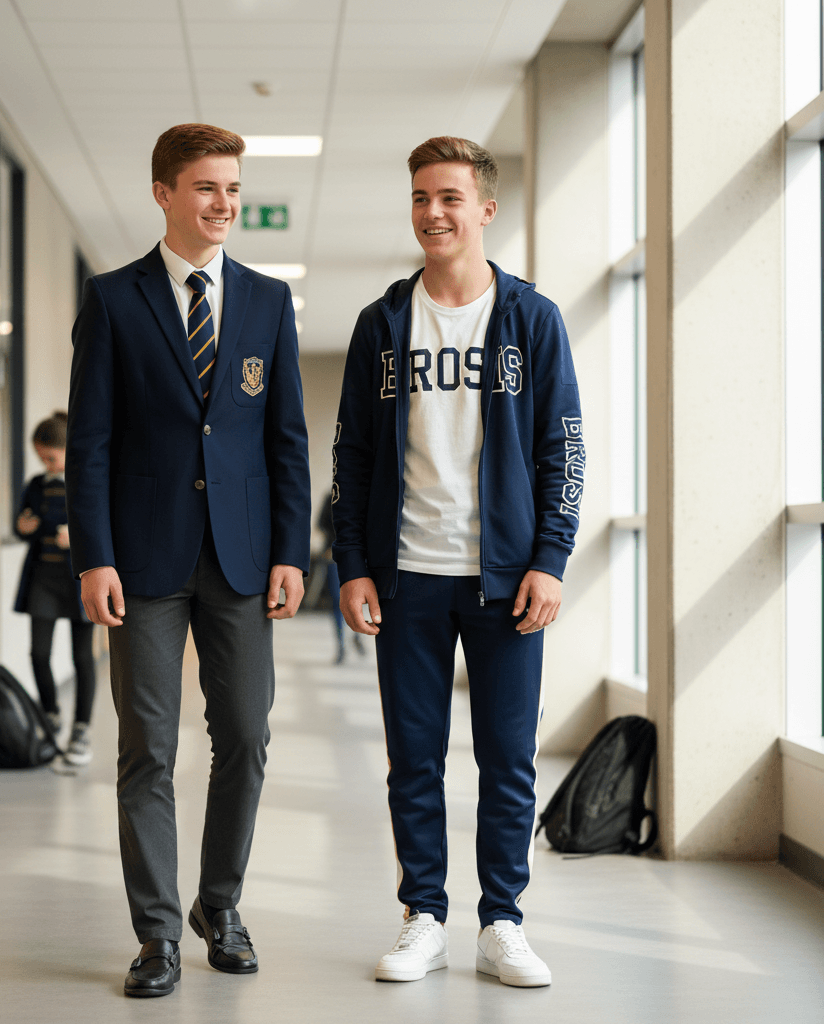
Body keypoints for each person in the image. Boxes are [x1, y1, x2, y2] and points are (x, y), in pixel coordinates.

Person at [65, 123, 311, 999]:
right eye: (207, 187)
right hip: (144, 563)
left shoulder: (266, 302)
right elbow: (88, 446)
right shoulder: (112, 299)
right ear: (165, 193)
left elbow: (287, 441)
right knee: (147, 750)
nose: (224, 204)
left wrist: (293, 551)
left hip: (243, 561)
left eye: (234, 189)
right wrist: (94, 557)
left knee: (245, 735)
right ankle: (159, 934)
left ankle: (222, 904)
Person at [331, 137, 583, 989]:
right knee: (414, 757)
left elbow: (564, 447)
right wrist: (353, 564)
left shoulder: (530, 319)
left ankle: (502, 922)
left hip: (506, 579)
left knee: (508, 758)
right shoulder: (381, 324)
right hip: (407, 576)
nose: (432, 213)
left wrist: (550, 557)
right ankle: (424, 915)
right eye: (419, 198)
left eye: (448, 197)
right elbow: (353, 458)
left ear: (485, 209)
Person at [13, 411, 96, 767]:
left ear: (68, 451)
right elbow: (21, 525)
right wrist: (24, 526)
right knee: (38, 653)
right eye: (41, 457)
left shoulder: (86, 480)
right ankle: (50, 713)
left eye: (51, 457)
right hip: (42, 580)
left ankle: (81, 728)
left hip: (79, 580)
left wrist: (75, 541)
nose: (46, 464)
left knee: (82, 658)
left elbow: (99, 528)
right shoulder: (35, 485)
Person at [316, 490, 363, 664]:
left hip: (356, 557)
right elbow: (320, 523)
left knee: (357, 598)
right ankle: (341, 645)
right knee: (337, 601)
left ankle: (357, 633)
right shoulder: (330, 498)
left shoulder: (361, 496)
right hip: (333, 554)